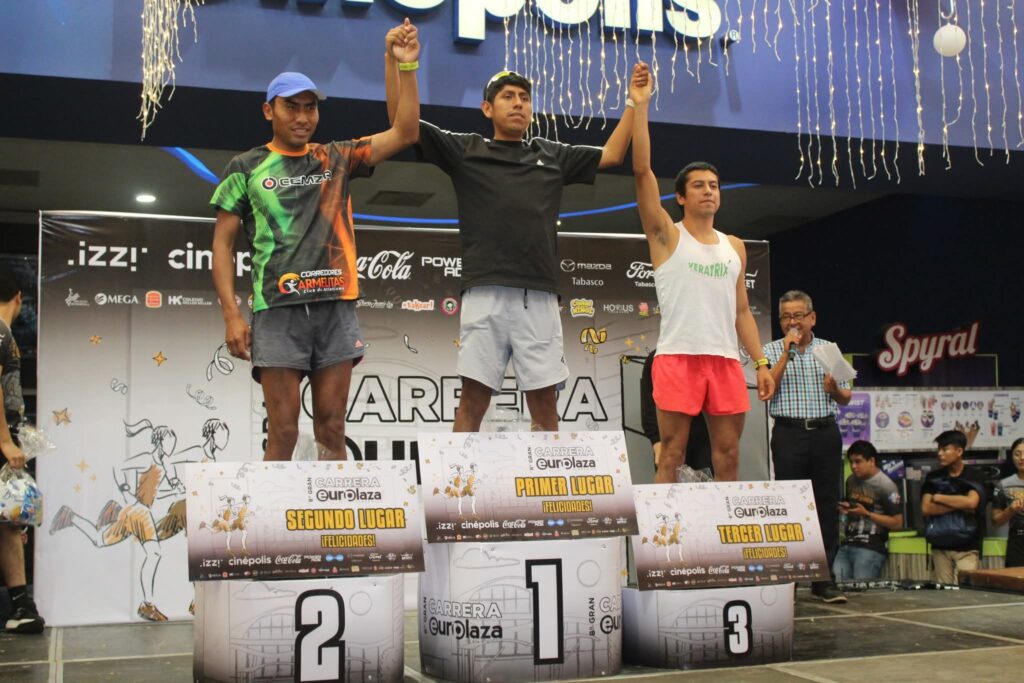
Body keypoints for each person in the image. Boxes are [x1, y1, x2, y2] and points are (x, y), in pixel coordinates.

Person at [385, 54, 644, 433]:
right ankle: (459, 475)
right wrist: (400, 65)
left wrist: (635, 102)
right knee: (472, 402)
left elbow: (613, 155)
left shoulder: (550, 154)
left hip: (538, 296)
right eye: (508, 96)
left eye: (524, 97)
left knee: (545, 407)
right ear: (487, 108)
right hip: (484, 292)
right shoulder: (467, 150)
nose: (518, 103)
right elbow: (404, 126)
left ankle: (545, 475)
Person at [211, 20, 421, 460]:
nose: (304, 117)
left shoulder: (336, 157)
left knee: (332, 428)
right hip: (277, 310)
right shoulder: (244, 167)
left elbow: (405, 132)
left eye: (310, 108)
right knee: (283, 432)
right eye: (292, 107)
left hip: (334, 308)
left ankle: (332, 509)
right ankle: (274, 509)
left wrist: (402, 64)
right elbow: (222, 246)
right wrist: (232, 315)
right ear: (268, 111)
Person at [630, 62, 775, 483]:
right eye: (698, 185)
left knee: (728, 455)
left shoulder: (735, 246)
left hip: (725, 361)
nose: (709, 190)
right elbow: (642, 172)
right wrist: (640, 106)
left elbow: (742, 312)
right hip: (678, 357)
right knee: (671, 454)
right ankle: (661, 529)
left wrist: (761, 362)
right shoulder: (666, 235)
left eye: (714, 185)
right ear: (680, 196)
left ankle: (723, 526)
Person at [763, 289, 851, 603]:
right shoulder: (770, 350)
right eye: (786, 317)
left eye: (798, 316)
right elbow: (766, 391)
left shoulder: (829, 350)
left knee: (826, 504)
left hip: (825, 432)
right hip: (788, 433)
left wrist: (834, 389)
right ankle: (788, 579)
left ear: (812, 318)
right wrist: (786, 353)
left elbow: (846, 396)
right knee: (789, 505)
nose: (792, 322)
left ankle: (823, 579)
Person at [0, 272, 44, 633]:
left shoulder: (6, 334)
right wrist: (4, 440)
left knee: (10, 520)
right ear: (18, 297)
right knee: (9, 521)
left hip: (10, 434)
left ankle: (21, 605)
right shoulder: (0, 332)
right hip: (2, 438)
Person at [921, 429, 988, 584]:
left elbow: (971, 503)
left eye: (945, 449)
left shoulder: (975, 475)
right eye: (939, 449)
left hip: (968, 547)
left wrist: (939, 498)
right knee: (943, 593)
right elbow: (926, 508)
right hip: (939, 546)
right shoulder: (933, 477)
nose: (940, 453)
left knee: (966, 592)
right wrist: (960, 504)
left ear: (959, 451)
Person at [833, 440, 903, 581]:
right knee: (838, 584)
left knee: (862, 588)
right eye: (851, 462)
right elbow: (853, 506)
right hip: (847, 543)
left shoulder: (886, 485)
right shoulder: (851, 480)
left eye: (858, 462)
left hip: (871, 546)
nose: (853, 466)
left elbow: (897, 523)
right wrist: (845, 508)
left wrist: (867, 514)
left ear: (871, 461)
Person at [640, 348, 712, 476]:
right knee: (668, 483)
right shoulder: (657, 357)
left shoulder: (710, 357)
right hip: (668, 441)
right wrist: (657, 442)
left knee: (705, 484)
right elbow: (648, 406)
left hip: (704, 442)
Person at [992, 438, 1024, 567]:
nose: (1022, 458)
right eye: (1017, 454)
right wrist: (1010, 510)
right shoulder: (1004, 485)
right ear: (1012, 457)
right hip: (1017, 542)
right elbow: (995, 521)